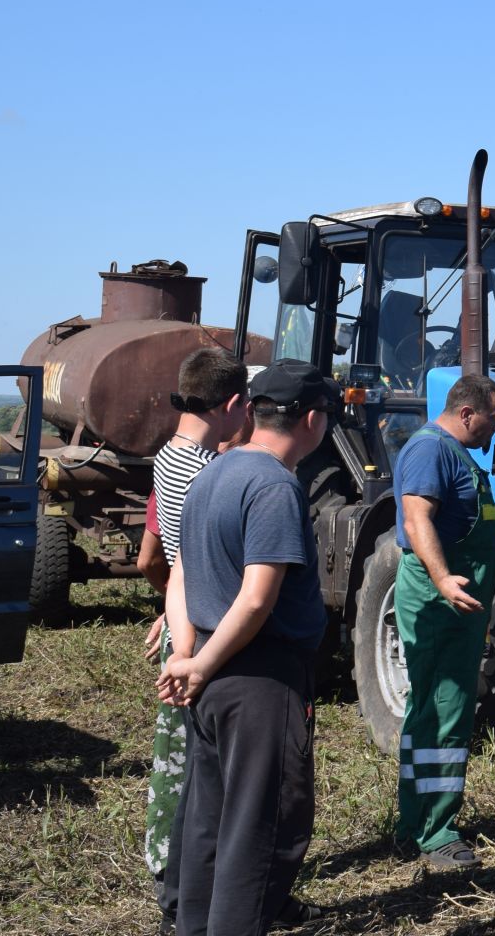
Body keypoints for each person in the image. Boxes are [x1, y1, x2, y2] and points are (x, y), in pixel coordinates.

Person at [158, 359, 336, 936]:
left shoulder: (213, 473)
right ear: (312, 419)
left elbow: (180, 573)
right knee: (261, 829)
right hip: (259, 678)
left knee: (209, 819)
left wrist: (188, 655)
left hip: (211, 670)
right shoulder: (275, 486)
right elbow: (258, 599)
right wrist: (203, 664)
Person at [138, 348, 251, 935]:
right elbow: (191, 564)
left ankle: (177, 886)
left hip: (182, 624)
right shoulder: (210, 471)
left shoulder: (166, 456)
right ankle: (180, 895)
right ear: (232, 405)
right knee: (194, 773)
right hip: (198, 633)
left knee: (178, 764)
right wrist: (186, 647)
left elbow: (162, 558)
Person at [391, 373, 495, 871]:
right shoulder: (430, 450)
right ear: (466, 413)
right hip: (442, 601)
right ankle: (435, 834)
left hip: (457, 603)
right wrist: (443, 580)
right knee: (443, 707)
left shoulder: (452, 452)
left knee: (436, 706)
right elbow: (417, 519)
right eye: (492, 417)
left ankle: (416, 821)